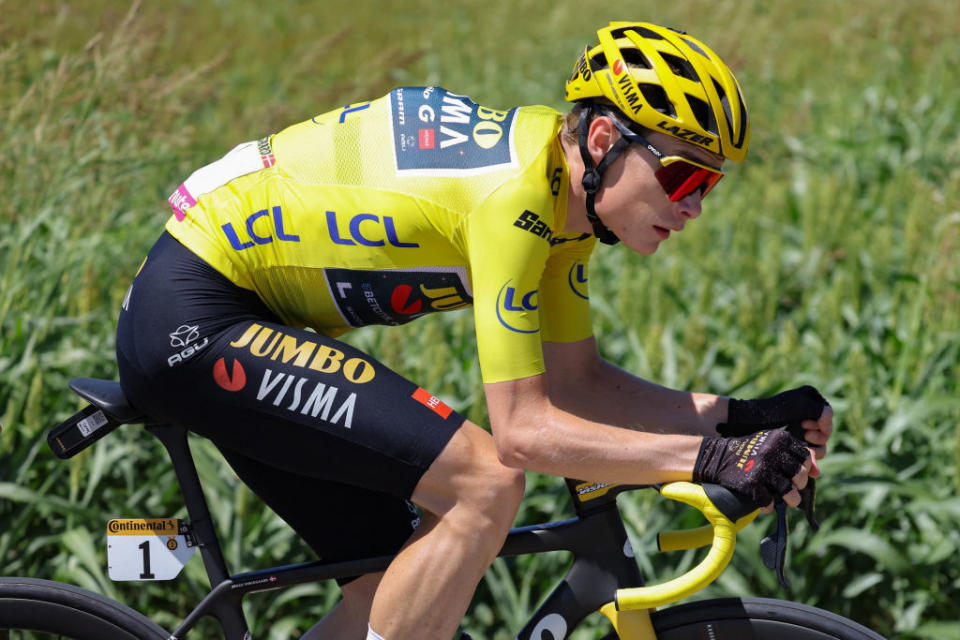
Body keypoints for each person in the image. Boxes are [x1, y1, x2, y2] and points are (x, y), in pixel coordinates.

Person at [116, 21, 833, 640]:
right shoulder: (515, 197)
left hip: (241, 317)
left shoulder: (566, 209)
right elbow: (523, 433)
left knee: (399, 577)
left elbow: (578, 387)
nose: (695, 208)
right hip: (196, 318)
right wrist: (710, 459)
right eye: (682, 178)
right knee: (487, 483)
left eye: (710, 186)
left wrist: (745, 419)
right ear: (606, 138)